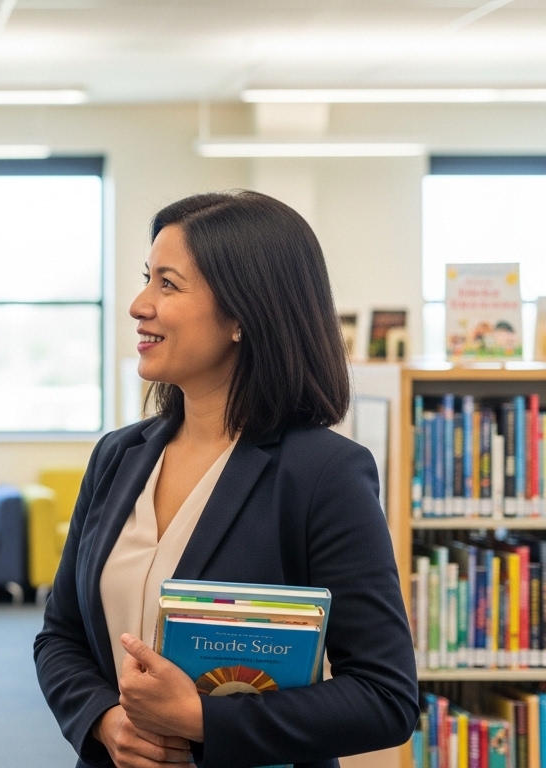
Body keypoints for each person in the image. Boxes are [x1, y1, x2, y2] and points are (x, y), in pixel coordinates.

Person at [34, 191, 417, 768]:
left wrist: (200, 720)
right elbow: (60, 635)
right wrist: (105, 722)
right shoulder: (118, 456)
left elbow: (384, 697)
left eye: (168, 284)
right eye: (147, 279)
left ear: (242, 314)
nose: (139, 305)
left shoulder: (323, 474)